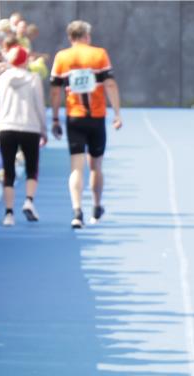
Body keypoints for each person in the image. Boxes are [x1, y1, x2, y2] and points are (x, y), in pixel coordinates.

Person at [49, 19, 122, 229]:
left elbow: (55, 91)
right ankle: (97, 206)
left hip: (75, 117)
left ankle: (77, 210)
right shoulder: (99, 54)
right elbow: (110, 84)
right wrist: (117, 113)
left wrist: (55, 118)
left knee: (76, 167)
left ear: (70, 37)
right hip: (96, 117)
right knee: (96, 165)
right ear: (87, 36)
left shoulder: (62, 57)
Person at [0, 45, 47, 226]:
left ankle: (9, 213)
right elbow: (39, 105)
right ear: (25, 61)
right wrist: (44, 129)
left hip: (6, 126)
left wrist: (2, 119)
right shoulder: (33, 78)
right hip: (29, 126)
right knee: (32, 167)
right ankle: (29, 201)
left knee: (8, 169)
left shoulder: (2, 79)